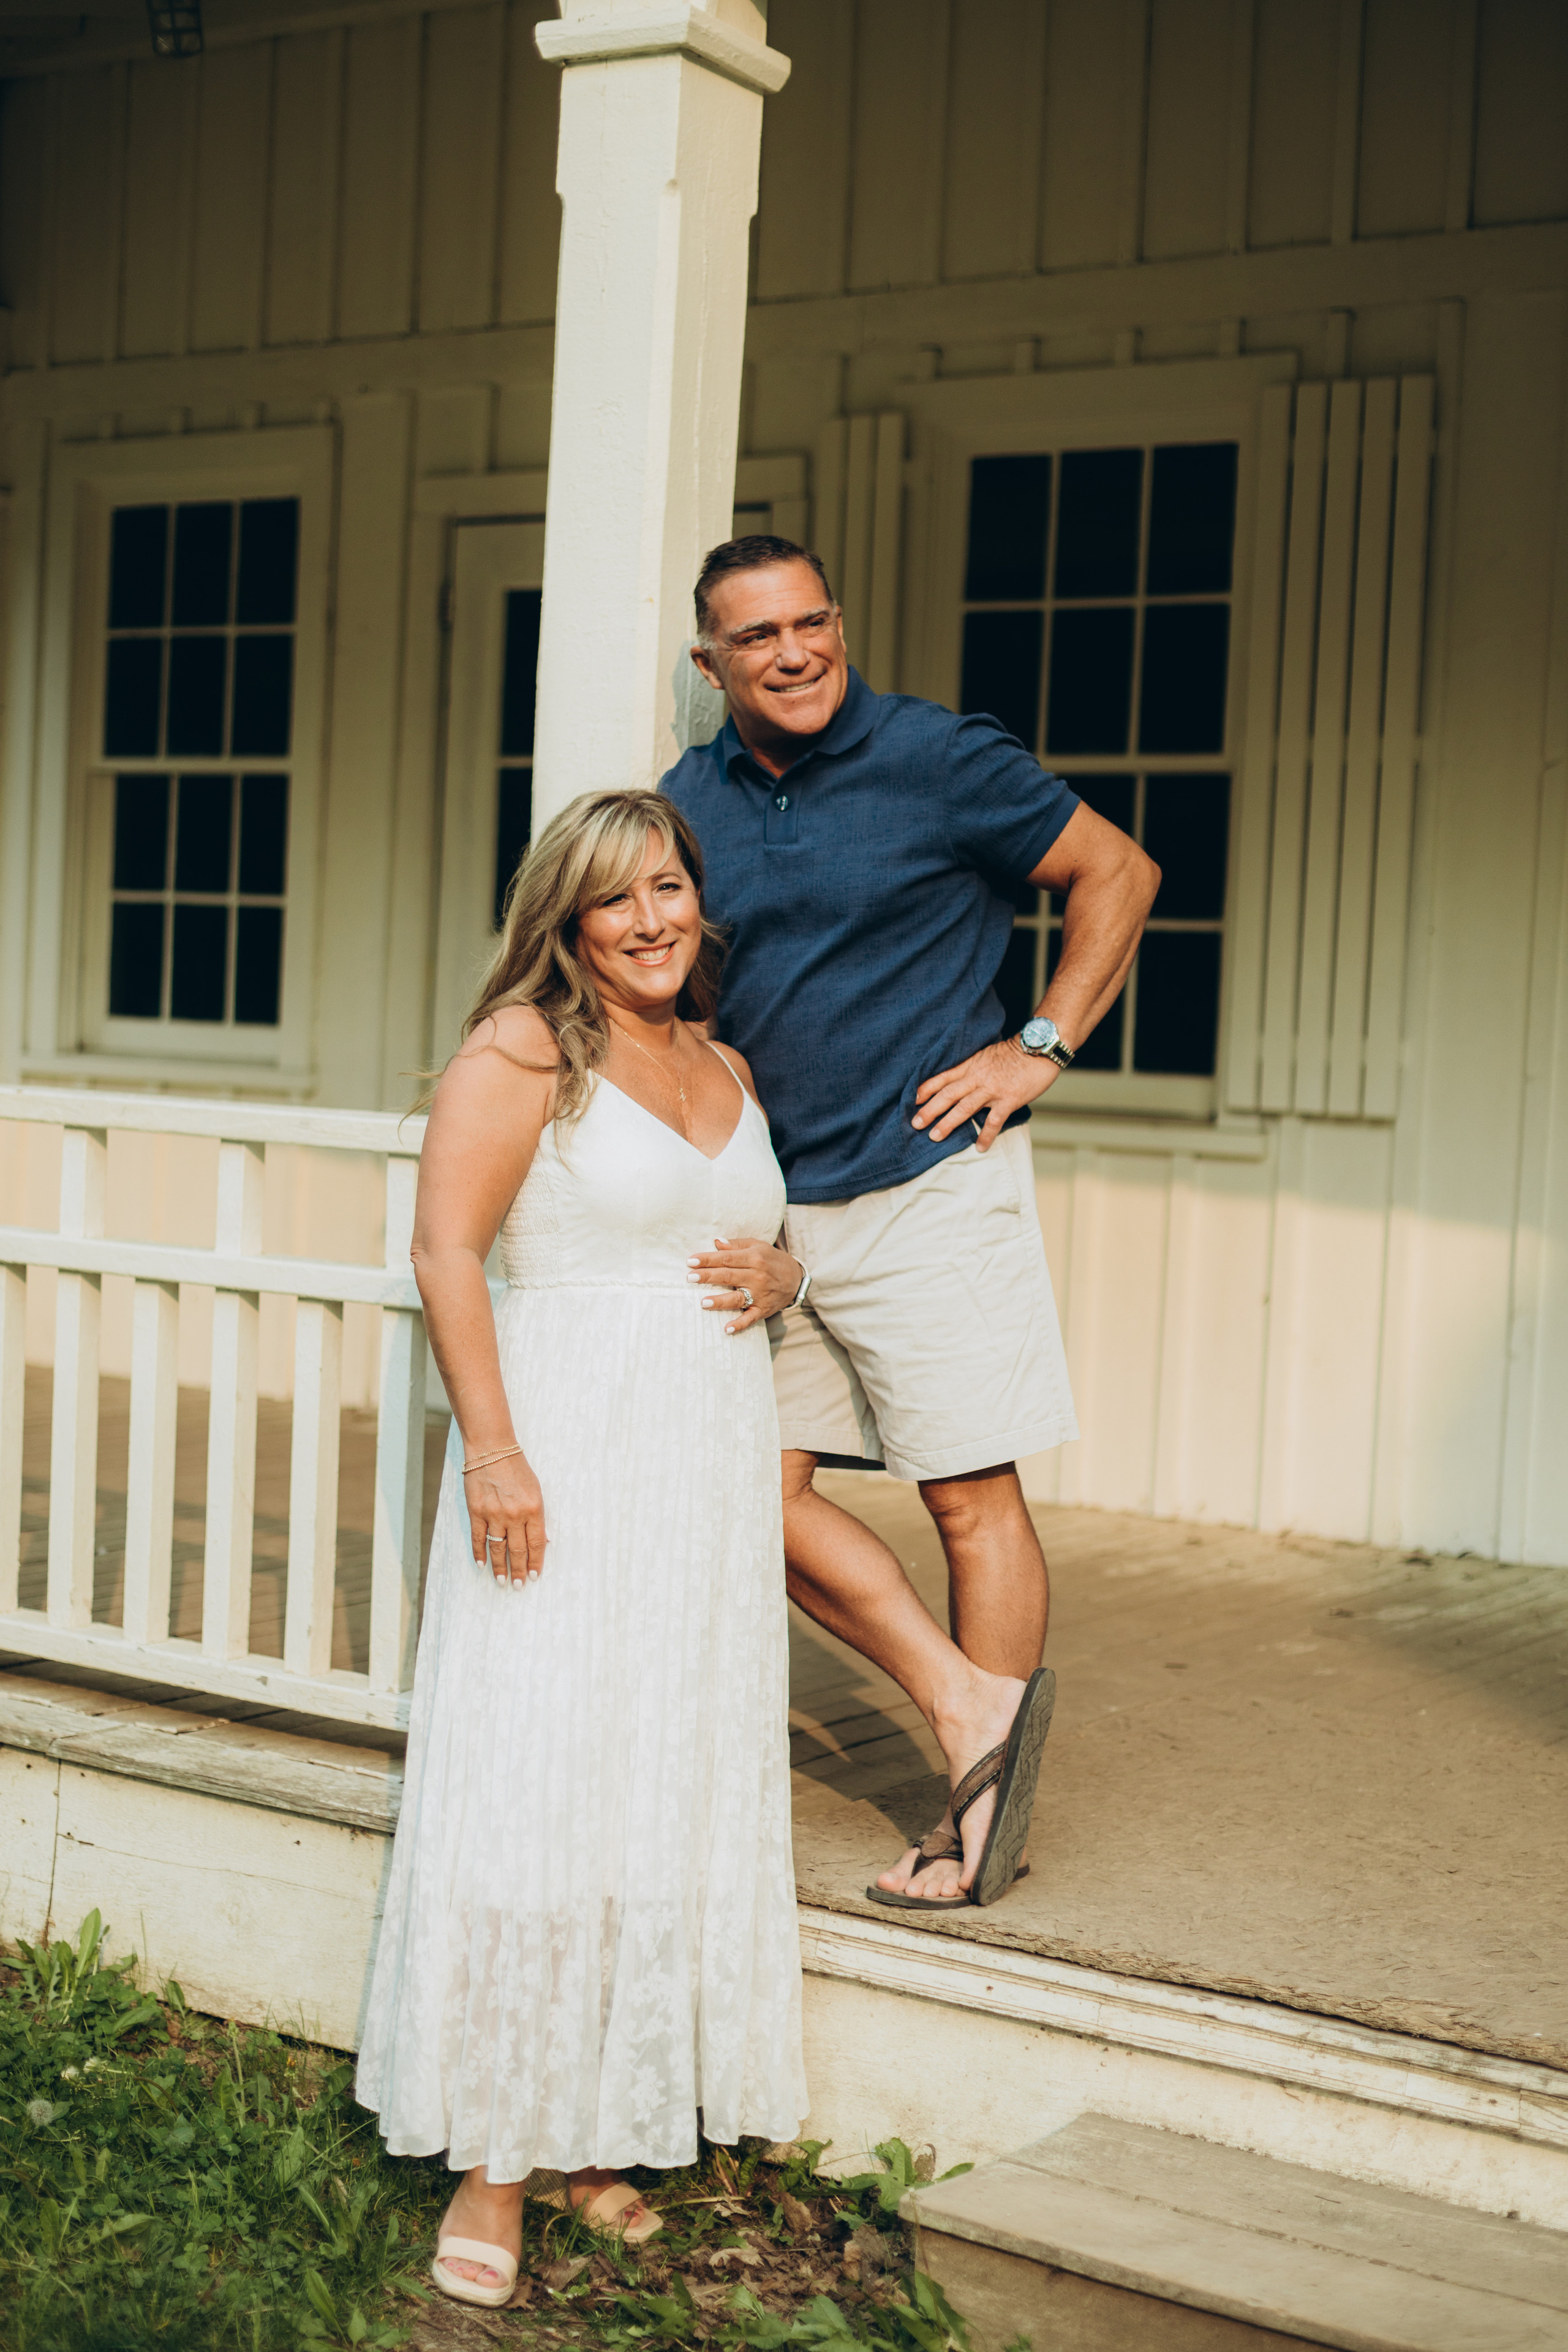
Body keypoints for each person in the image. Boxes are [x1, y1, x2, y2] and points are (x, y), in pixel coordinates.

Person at [356, 791, 809, 2310]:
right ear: (567, 917)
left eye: (668, 887)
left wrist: (786, 1269)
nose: (649, 919)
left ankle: (591, 2121)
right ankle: (495, 2153)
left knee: (654, 1782)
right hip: (563, 1455)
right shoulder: (523, 1054)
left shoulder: (726, 1062)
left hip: (704, 1472)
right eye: (614, 900)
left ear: (698, 899)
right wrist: (494, 1449)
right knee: (538, 1782)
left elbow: (736, 1231)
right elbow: (445, 1253)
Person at [662, 536, 1160, 1915]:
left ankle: (975, 1812)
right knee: (746, 1499)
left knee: (963, 1493)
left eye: (809, 620)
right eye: (756, 637)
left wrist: (1039, 1047)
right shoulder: (686, 802)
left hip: (927, 1181)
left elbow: (1116, 871)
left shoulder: (936, 758)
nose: (794, 651)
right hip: (772, 1210)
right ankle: (966, 1711)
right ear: (711, 665)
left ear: (837, 621)